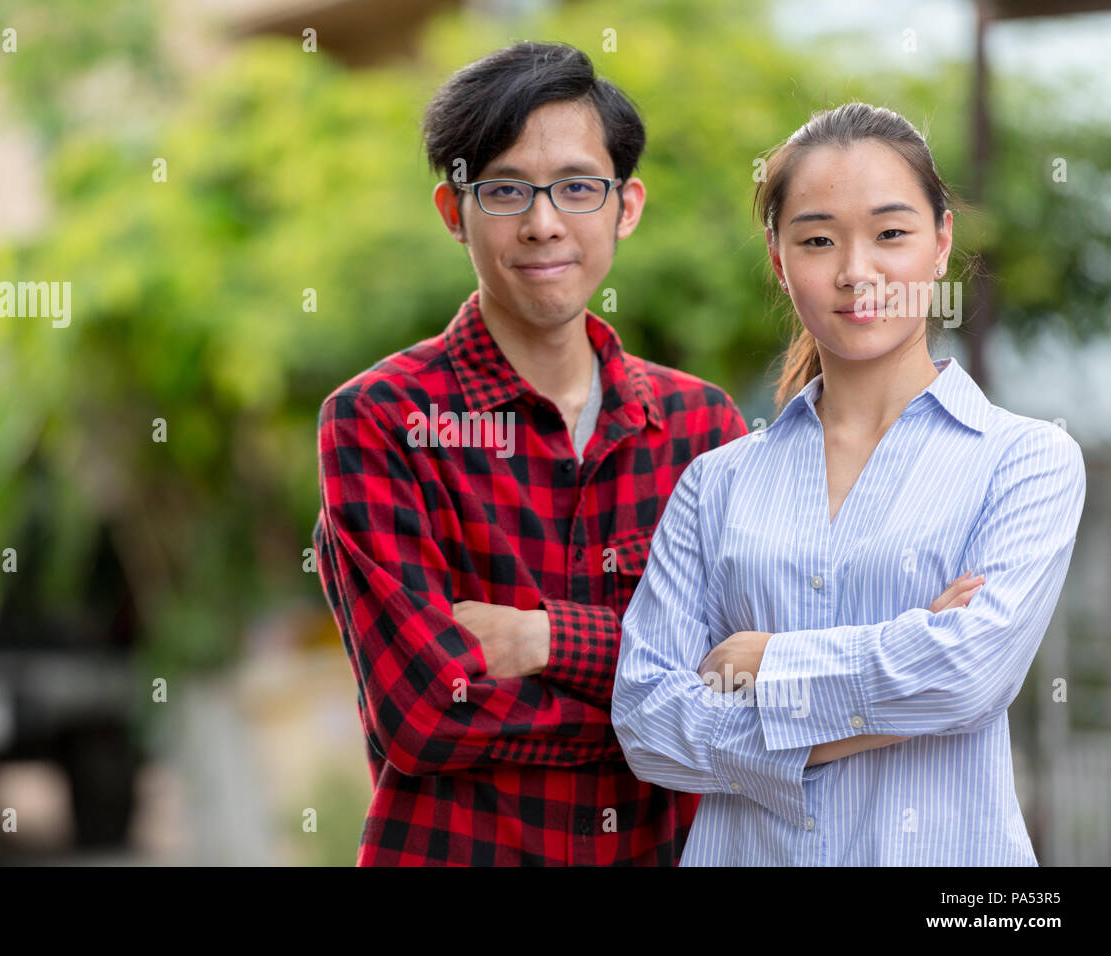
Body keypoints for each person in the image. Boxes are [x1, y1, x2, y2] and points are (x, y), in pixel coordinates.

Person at [311, 41, 752, 865]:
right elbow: (426, 717)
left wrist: (546, 639)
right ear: (454, 211)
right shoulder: (381, 421)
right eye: (507, 189)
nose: (544, 222)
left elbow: (749, 692)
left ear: (626, 206)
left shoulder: (703, 428)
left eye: (579, 188)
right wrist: (661, 693)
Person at [612, 102, 1087, 865]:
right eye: (818, 239)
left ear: (941, 242)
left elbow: (966, 675)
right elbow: (647, 725)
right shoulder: (716, 484)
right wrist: (903, 666)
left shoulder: (1024, 461)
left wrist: (763, 662)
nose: (855, 271)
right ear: (778, 258)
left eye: (890, 233)